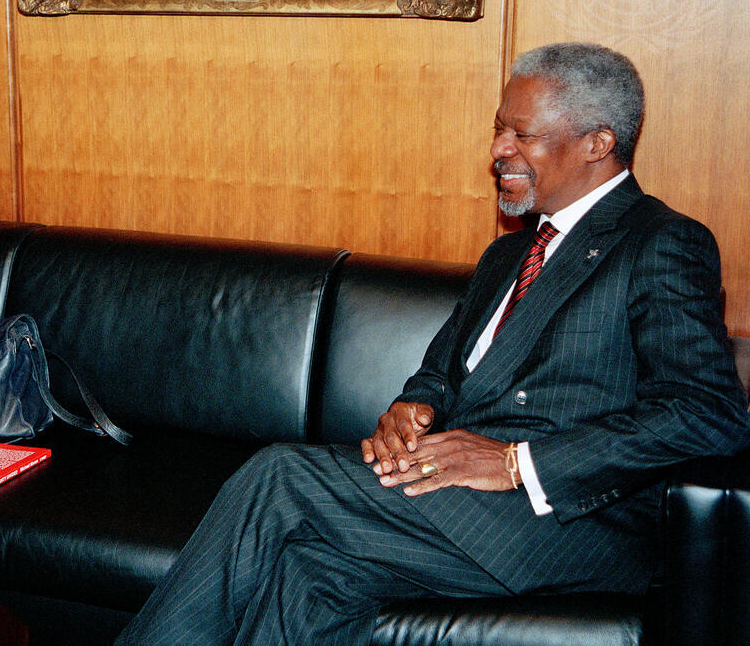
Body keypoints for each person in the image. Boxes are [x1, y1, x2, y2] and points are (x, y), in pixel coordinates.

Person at [116, 42, 750, 644]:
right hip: (452, 497)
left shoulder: (661, 242)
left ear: (597, 144)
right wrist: (412, 406)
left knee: (281, 476)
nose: (498, 150)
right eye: (498, 129)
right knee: (309, 572)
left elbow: (708, 413)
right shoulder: (508, 255)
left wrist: (516, 463)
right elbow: (443, 371)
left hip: (563, 521)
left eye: (522, 134)